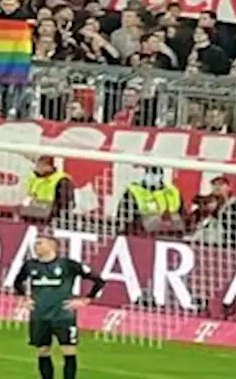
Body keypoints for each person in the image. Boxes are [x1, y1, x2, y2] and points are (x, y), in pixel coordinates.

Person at [13, 235, 106, 379]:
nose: (36, 246)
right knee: (43, 351)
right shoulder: (30, 265)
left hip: (63, 316)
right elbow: (17, 283)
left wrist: (86, 300)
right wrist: (23, 298)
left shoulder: (68, 265)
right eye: (36, 243)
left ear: (52, 245)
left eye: (40, 243)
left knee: (68, 351)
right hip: (39, 316)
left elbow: (99, 280)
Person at [117, 166, 183, 234]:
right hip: (144, 231)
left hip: (173, 229)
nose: (152, 176)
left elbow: (182, 213)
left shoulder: (172, 191)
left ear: (161, 176)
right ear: (145, 174)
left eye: (155, 174)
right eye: (149, 173)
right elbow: (122, 216)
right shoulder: (134, 191)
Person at [23, 156, 75, 222]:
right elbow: (29, 196)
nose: (36, 169)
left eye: (39, 166)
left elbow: (65, 204)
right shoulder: (34, 179)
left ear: (48, 167)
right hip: (34, 217)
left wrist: (48, 213)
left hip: (54, 220)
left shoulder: (62, 180)